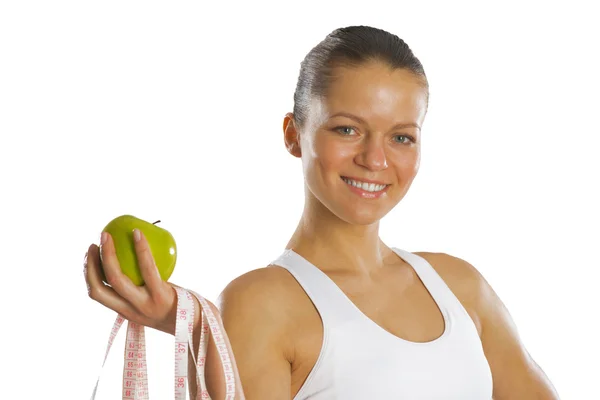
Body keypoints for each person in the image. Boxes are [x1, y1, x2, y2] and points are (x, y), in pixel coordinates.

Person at [84, 25, 560, 399]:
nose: (376, 160)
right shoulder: (262, 303)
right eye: (348, 130)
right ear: (294, 134)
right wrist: (199, 333)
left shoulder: (461, 286)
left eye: (401, 137)